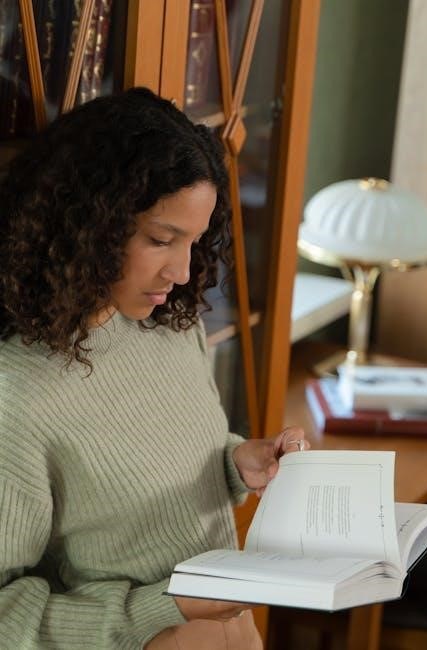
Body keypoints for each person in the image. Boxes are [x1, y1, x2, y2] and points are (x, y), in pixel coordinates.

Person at [0, 87, 308, 649]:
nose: (183, 272)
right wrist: (162, 608)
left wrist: (237, 463)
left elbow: (146, 471)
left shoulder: (168, 324)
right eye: (162, 240)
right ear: (88, 223)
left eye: (195, 241)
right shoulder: (18, 392)